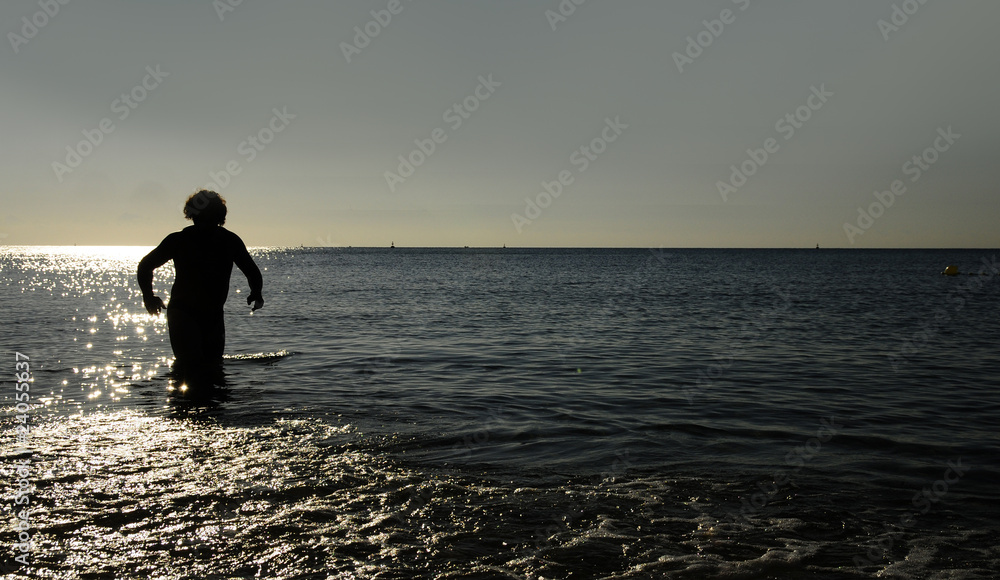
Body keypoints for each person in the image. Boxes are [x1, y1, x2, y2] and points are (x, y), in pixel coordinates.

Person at [137, 190, 263, 388]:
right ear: (193, 216)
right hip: (183, 312)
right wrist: (148, 296)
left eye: (210, 217)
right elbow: (145, 265)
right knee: (190, 367)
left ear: (218, 218)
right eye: (202, 216)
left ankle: (206, 413)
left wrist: (256, 291)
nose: (205, 223)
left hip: (213, 314)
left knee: (213, 370)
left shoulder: (229, 241)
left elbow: (252, 271)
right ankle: (186, 411)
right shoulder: (179, 240)